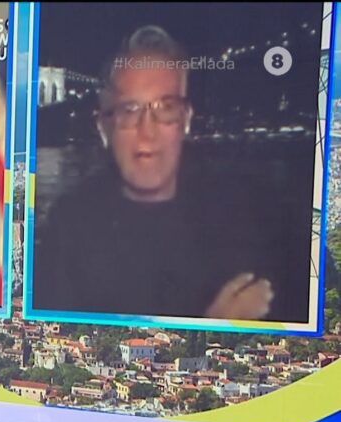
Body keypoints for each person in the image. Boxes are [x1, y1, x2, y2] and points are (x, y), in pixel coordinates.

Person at [33, 25, 310, 323]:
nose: (147, 130)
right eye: (130, 110)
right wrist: (216, 323)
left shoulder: (255, 220)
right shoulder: (67, 228)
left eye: (166, 108)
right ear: (104, 128)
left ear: (186, 120)